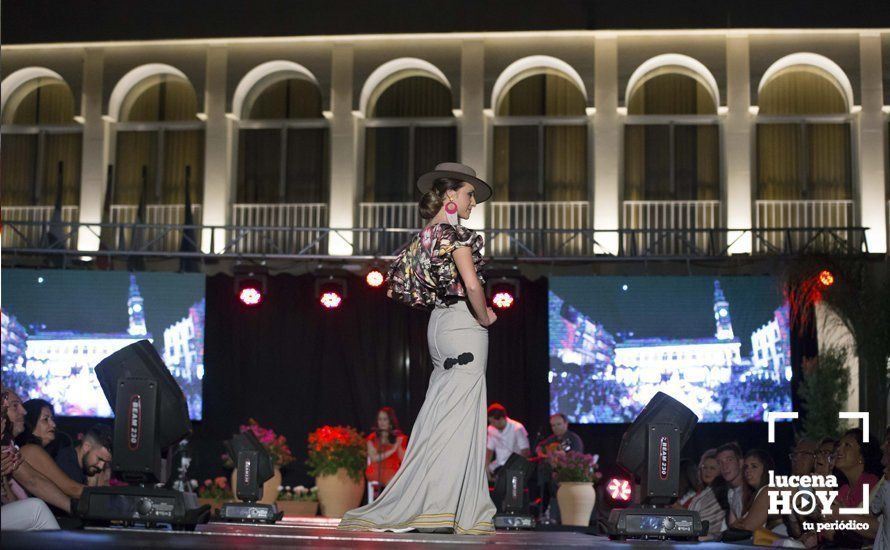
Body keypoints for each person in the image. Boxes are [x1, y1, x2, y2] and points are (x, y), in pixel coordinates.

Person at [339, 162, 497, 535]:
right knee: (457, 423)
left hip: (439, 325)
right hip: (462, 324)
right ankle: (444, 509)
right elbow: (472, 285)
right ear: (450, 197)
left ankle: (439, 505)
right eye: (469, 193)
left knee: (439, 419)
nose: (473, 201)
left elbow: (403, 288)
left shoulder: (423, 236)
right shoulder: (454, 234)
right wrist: (485, 315)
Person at [1, 386, 70, 530]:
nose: (23, 411)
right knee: (36, 509)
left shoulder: (10, 447)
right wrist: (79, 506)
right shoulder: (28, 450)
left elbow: (11, 500)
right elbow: (34, 481)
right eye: (15, 406)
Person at [533, 413, 581, 522]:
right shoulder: (552, 439)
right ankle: (543, 510)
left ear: (566, 424)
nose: (556, 428)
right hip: (550, 476)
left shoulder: (573, 439)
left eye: (559, 424)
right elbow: (539, 447)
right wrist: (542, 454)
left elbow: (575, 459)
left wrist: (560, 456)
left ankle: (554, 513)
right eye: (553, 425)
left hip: (567, 476)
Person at [731, 449, 781, 531]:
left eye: (754, 466)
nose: (748, 471)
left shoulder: (769, 490)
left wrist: (736, 525)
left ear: (766, 469)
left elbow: (747, 527)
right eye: (746, 467)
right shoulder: (753, 495)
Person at [686, 449, 728, 540]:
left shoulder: (722, 492)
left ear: (721, 471)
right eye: (704, 467)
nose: (707, 472)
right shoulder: (704, 492)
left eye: (712, 468)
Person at [365, 407, 407, 491]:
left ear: (390, 422)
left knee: (407, 478)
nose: (382, 422)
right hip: (376, 469)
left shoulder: (398, 437)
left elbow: (404, 459)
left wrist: (398, 446)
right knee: (394, 480)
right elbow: (374, 458)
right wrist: (392, 450)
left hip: (394, 470)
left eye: (385, 419)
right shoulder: (372, 438)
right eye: (380, 419)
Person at [485, 403, 530, 479]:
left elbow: (525, 450)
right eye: (490, 422)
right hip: (498, 465)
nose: (492, 424)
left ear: (502, 418)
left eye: (493, 422)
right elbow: (489, 450)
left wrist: (518, 468)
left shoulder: (517, 428)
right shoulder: (491, 429)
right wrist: (485, 467)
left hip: (514, 467)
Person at [715, 442, 746, 525]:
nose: (724, 466)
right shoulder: (731, 493)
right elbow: (732, 527)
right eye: (720, 462)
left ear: (740, 463)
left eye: (729, 460)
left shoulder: (751, 490)